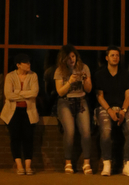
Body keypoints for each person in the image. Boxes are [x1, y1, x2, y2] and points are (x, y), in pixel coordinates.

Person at [95, 46, 129, 177]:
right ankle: (106, 163)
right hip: (105, 107)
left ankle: (128, 164)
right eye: (112, 55)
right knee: (106, 131)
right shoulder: (100, 74)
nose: (115, 58)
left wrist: (123, 110)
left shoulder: (125, 74)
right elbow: (99, 96)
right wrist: (109, 110)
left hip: (123, 106)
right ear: (107, 58)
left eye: (117, 55)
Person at [54, 44, 92, 174]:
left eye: (73, 56)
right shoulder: (59, 71)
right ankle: (68, 162)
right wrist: (70, 81)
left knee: (86, 132)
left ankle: (86, 163)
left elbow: (89, 89)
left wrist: (85, 79)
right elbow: (60, 92)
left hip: (81, 100)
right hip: (65, 102)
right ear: (63, 59)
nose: (72, 60)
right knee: (69, 132)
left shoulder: (84, 67)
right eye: (69, 57)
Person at [0, 53, 39, 175]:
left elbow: (34, 93)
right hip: (13, 112)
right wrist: (24, 93)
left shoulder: (33, 76)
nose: (29, 65)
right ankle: (19, 165)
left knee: (28, 137)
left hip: (28, 111)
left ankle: (28, 166)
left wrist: (17, 93)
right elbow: (8, 94)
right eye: (25, 63)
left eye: (29, 62)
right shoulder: (10, 76)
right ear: (18, 65)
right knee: (15, 137)